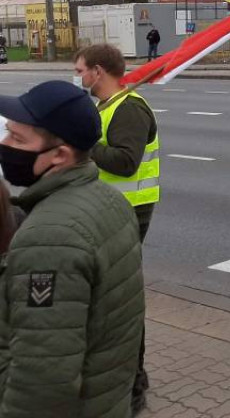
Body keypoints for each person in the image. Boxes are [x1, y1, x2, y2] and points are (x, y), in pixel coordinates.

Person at [0, 81, 144, 415]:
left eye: (17, 138)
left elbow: (42, 383)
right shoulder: (108, 198)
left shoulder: (49, 238)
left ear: (60, 155)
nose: (4, 146)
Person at [73, 44, 160, 414]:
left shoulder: (130, 109)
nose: (78, 77)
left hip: (129, 212)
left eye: (80, 70)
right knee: (108, 296)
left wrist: (84, 143)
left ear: (97, 70)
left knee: (120, 298)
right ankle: (123, 375)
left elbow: (126, 162)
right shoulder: (106, 106)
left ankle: (134, 381)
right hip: (110, 210)